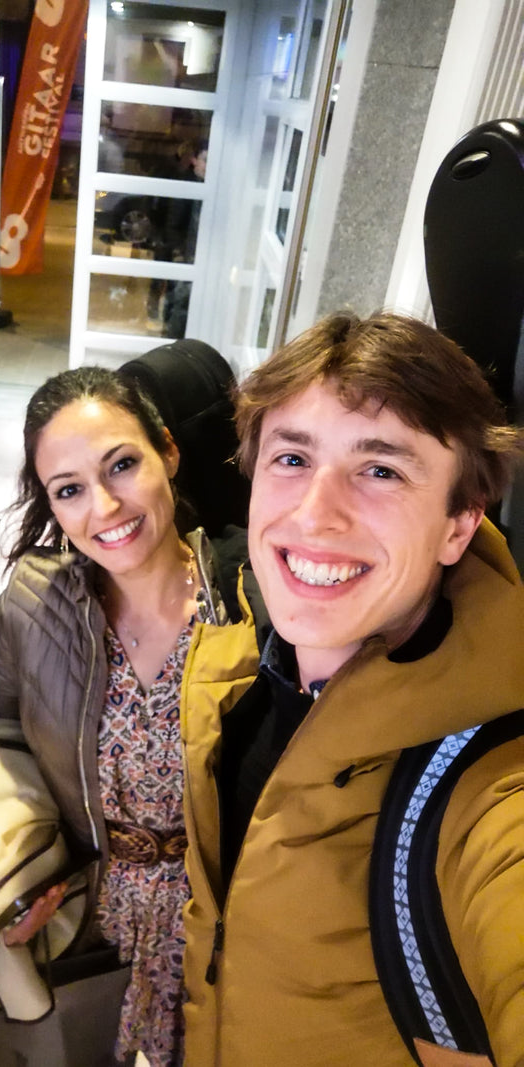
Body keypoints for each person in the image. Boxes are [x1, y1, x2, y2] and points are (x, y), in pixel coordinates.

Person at [179, 311, 524, 1066]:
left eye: (381, 469)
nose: (314, 513)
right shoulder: (235, 677)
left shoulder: (489, 781)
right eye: (292, 459)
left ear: (458, 526)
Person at [0, 366, 234, 1067]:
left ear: (168, 453)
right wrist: (23, 870)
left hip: (221, 920)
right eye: (69, 490)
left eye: (121, 464)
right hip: (90, 910)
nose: (105, 506)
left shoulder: (250, 598)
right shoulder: (32, 608)